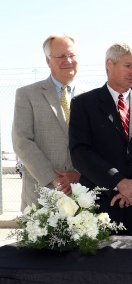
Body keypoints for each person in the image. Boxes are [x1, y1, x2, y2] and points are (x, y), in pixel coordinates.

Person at [69, 42, 132, 237]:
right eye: (128, 65)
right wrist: (118, 182)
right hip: (101, 208)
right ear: (109, 64)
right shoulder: (84, 104)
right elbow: (80, 152)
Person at [12, 34, 82, 211]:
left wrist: (79, 175)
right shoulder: (27, 94)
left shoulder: (93, 97)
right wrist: (53, 178)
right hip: (40, 196)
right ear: (48, 60)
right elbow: (22, 141)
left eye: (72, 55)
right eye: (60, 56)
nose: (68, 61)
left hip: (82, 195)